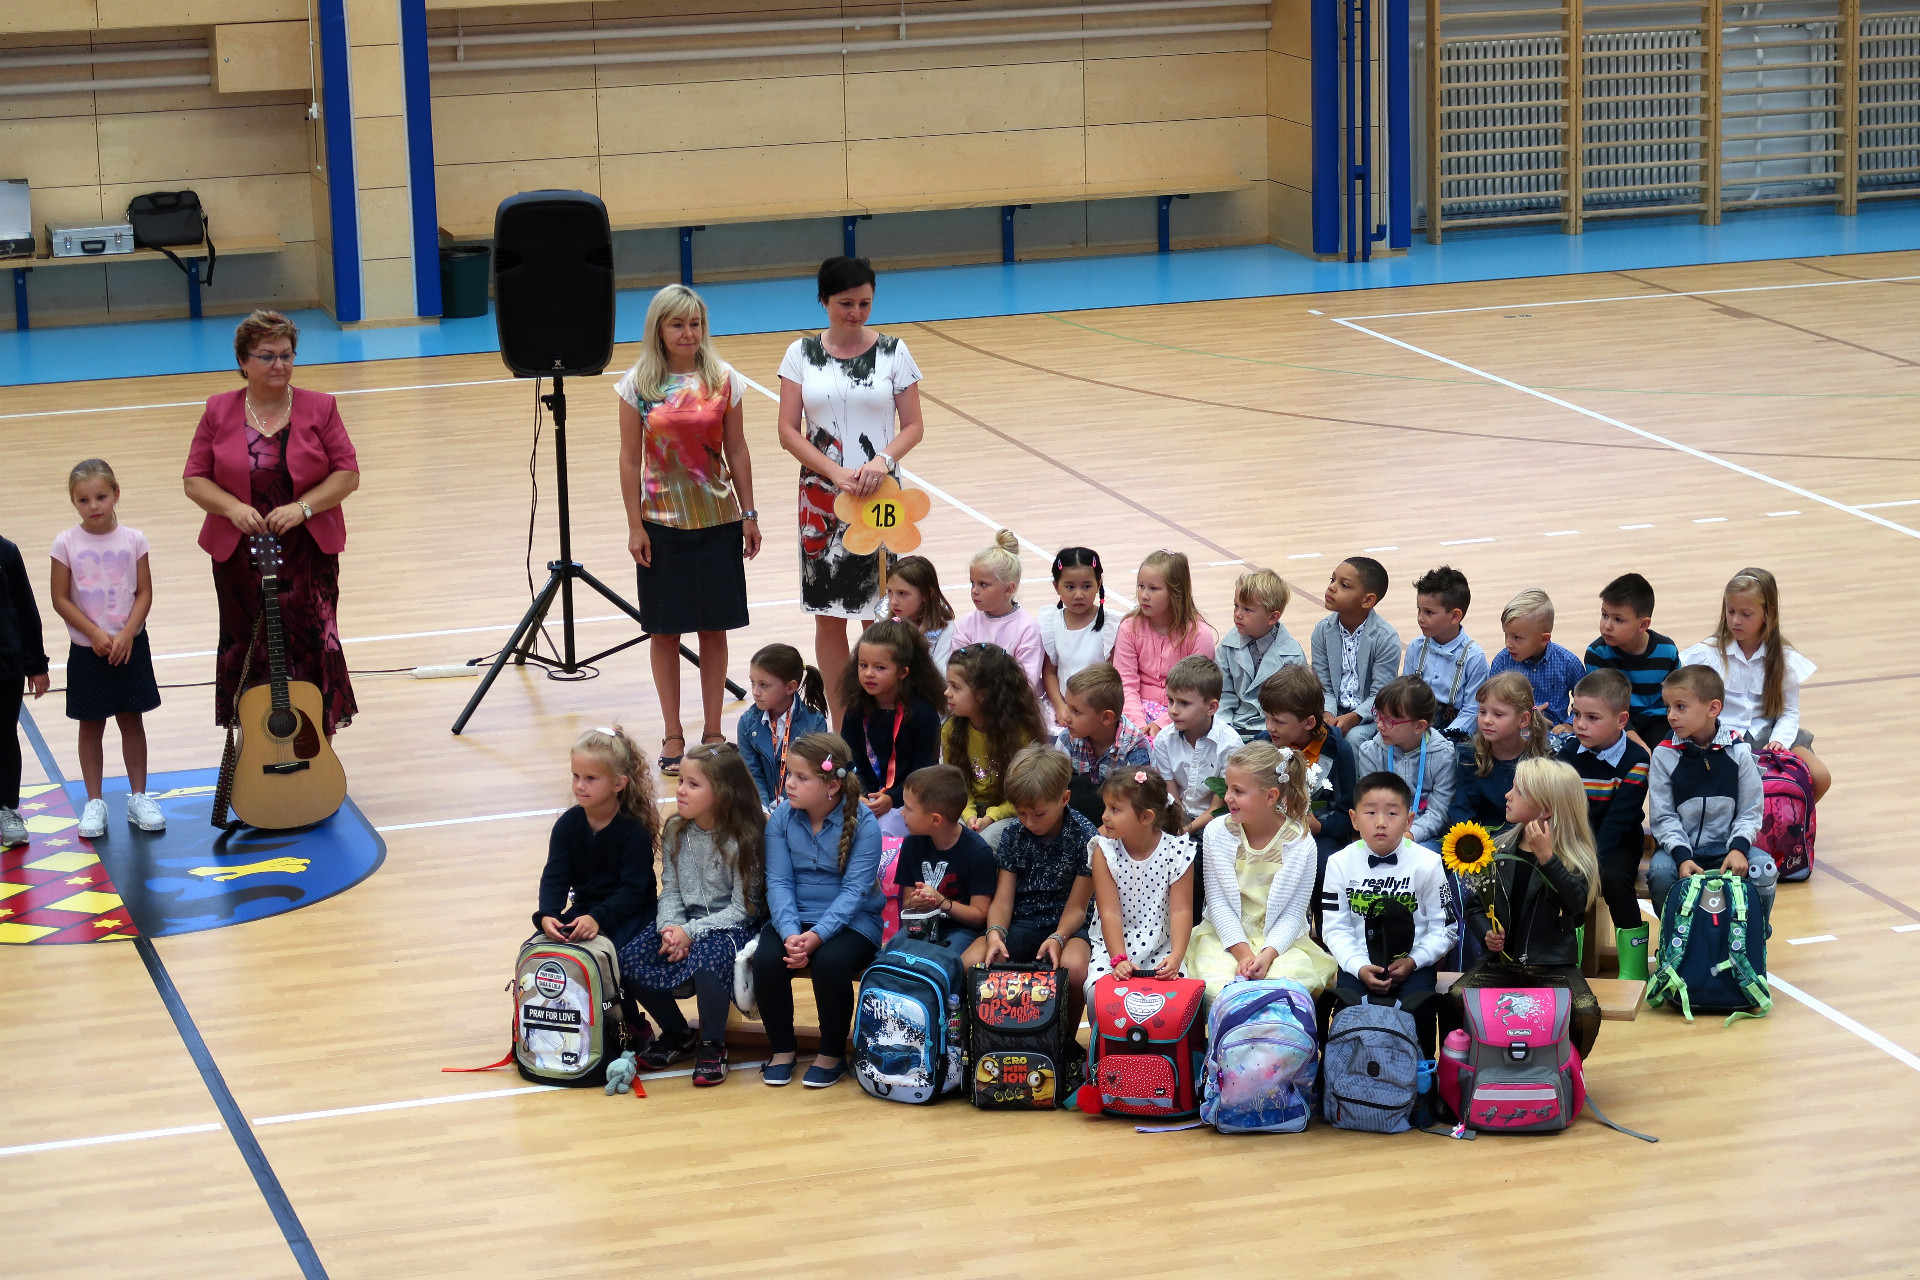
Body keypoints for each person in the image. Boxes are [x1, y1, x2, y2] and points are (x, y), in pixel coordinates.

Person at [183, 310, 360, 737]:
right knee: (248, 644)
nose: (279, 365)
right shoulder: (218, 410)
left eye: (286, 355)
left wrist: (304, 508)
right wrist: (231, 508)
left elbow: (347, 474)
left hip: (307, 553)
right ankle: (257, 742)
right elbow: (194, 479)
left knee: (314, 641)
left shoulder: (321, 407)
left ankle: (318, 743)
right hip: (239, 555)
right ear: (243, 362)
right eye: (267, 356)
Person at [615, 284, 761, 775]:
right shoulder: (637, 385)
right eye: (677, 324)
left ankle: (713, 731)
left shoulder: (724, 379)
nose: (688, 332)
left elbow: (737, 449)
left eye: (695, 323)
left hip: (718, 522)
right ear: (658, 329)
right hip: (661, 527)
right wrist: (635, 526)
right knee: (665, 632)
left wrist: (749, 514)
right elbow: (629, 459)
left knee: (713, 629)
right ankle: (673, 732)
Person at [776, 257, 926, 723]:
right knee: (829, 614)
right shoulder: (800, 354)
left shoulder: (895, 352)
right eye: (845, 303)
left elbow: (914, 426)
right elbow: (788, 431)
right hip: (821, 498)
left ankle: (883, 717)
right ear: (823, 300)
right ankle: (843, 726)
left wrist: (882, 462)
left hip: (882, 497)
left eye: (864, 303)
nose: (856, 312)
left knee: (880, 611)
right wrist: (836, 474)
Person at [619, 742, 765, 1087]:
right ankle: (677, 1033)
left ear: (723, 794)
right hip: (684, 924)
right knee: (629, 958)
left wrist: (692, 933)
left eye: (693, 784)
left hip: (732, 927)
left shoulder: (744, 838)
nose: (681, 790)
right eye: (681, 781)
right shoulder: (675, 830)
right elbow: (670, 889)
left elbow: (744, 909)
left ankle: (713, 1046)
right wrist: (671, 928)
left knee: (707, 961)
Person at [755, 732, 884, 1089]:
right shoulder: (782, 818)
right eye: (789, 774)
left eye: (802, 777)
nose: (790, 784)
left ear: (832, 786)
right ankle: (782, 1049)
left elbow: (855, 892)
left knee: (830, 962)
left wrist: (817, 936)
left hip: (853, 921)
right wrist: (790, 933)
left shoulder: (864, 823)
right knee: (767, 959)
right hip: (794, 916)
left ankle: (832, 1054)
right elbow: (778, 882)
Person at [1453, 757, 1604, 1059]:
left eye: (1518, 791)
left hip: (1553, 967)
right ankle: (1465, 1067)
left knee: (1586, 1012)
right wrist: (1485, 933)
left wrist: (1548, 859)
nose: (1507, 795)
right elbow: (1474, 906)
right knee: (1457, 997)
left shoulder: (1575, 858)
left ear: (1545, 809)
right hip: (1500, 965)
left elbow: (1575, 907)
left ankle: (1566, 1069)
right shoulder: (1497, 849)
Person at [47, 459, 163, 838]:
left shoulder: (134, 539)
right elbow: (60, 598)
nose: (93, 506)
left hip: (130, 646)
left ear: (116, 494)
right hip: (88, 650)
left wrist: (128, 633)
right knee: (91, 725)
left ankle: (139, 797)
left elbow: (144, 591)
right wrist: (94, 634)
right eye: (84, 500)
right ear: (73, 502)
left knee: (132, 721)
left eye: (100, 496)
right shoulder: (65, 543)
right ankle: (94, 802)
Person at [1318, 772, 1457, 1053]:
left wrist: (1414, 961)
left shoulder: (1428, 863)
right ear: (1354, 819)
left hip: (1414, 963)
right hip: (1358, 961)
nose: (1381, 822)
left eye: (1392, 813)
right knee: (1348, 1012)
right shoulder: (1338, 863)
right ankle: (1344, 1075)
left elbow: (1445, 928)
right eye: (1370, 813)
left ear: (1409, 820)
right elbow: (1334, 928)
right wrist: (1359, 965)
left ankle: (1422, 1074)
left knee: (1419, 1012)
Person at [1187, 742, 1337, 997]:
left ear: (1270, 797)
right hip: (1226, 936)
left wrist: (1266, 956)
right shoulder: (1217, 833)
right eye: (1228, 788)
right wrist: (1244, 955)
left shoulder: (1300, 843)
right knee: (1217, 988)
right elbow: (1218, 903)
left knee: (1285, 987)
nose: (1227, 797)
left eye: (1238, 791)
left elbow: (1293, 913)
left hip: (1280, 941)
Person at [967, 745, 1098, 1031]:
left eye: (1038, 814)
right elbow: (1003, 900)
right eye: (1021, 813)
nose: (1028, 822)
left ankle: (1064, 1043)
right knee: (971, 962)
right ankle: (984, 1040)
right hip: (1020, 922)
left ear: (1064, 799)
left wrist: (1059, 937)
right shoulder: (1013, 833)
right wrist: (995, 934)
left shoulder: (1086, 836)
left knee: (1075, 969)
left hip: (1069, 926)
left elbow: (1078, 907)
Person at [1681, 567, 1830, 801]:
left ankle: (1787, 819)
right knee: (1733, 784)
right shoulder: (1707, 655)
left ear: (1769, 613)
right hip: (1720, 735)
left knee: (1820, 776)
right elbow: (1689, 705)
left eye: (1746, 614)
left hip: (1770, 733)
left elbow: (1789, 712)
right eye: (1730, 611)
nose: (1735, 620)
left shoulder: (1784, 659)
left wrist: (1779, 741)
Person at [534, 727, 660, 1004]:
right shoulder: (567, 825)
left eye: (590, 778)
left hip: (633, 914)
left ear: (618, 784)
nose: (580, 785)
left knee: (615, 958)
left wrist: (598, 918)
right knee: (547, 955)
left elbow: (633, 891)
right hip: (588, 911)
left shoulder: (633, 831)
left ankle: (648, 1024)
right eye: (576, 776)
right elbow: (554, 877)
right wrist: (547, 915)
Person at [1647, 665, 1770, 911]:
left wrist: (1738, 849)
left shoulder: (1739, 751)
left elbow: (1751, 811)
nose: (1671, 716)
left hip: (1727, 846)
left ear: (1713, 709)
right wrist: (1682, 856)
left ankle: (1757, 930)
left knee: (1763, 868)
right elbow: (1663, 817)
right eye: (1668, 707)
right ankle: (1672, 932)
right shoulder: (1663, 754)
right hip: (1679, 848)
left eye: (1680, 707)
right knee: (1660, 874)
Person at [1559, 669, 1652, 978]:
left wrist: (1591, 860)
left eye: (1592, 717)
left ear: (1621, 720)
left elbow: (1618, 821)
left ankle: (1634, 970)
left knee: (1613, 879)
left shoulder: (1636, 760)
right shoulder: (1568, 753)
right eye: (1576, 714)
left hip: (1618, 841)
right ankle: (1565, 963)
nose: (1580, 724)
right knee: (1565, 877)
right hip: (1575, 839)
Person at [1083, 767, 1198, 1001]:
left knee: (1175, 998)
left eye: (1115, 809)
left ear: (1145, 817)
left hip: (1163, 945)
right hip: (1114, 945)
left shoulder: (1178, 852)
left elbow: (1181, 910)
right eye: (1106, 807)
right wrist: (1119, 959)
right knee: (1098, 993)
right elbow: (1109, 912)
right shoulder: (1104, 851)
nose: (1104, 816)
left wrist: (1176, 957)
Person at [836, 619, 945, 838]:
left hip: (908, 801)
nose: (869, 674)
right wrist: (860, 793)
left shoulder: (923, 713)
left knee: (884, 831)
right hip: (865, 798)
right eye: (863, 665)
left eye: (880, 667)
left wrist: (893, 798)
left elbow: (924, 770)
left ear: (903, 672)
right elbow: (850, 760)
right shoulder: (856, 709)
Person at [942, 641, 1047, 847]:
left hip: (1011, 811)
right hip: (968, 810)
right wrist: (969, 815)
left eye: (955, 687)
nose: (947, 692)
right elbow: (956, 784)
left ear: (983, 694)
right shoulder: (951, 730)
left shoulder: (1020, 732)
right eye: (948, 684)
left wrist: (992, 816)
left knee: (986, 842)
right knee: (946, 835)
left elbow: (1026, 792)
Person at [891, 764, 996, 960]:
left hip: (960, 930)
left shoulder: (978, 852)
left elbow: (980, 916)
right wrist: (917, 902)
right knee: (891, 955)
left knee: (941, 960)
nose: (901, 813)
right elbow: (906, 905)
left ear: (935, 820)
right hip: (919, 926)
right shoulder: (911, 844)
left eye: (908, 808)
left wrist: (941, 903)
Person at [1258, 664, 1356, 865]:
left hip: (1318, 835)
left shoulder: (1338, 750)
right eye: (1266, 717)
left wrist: (1319, 826)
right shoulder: (1263, 744)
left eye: (1278, 721)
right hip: (1270, 830)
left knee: (1322, 865)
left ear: (1309, 723)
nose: (1269, 727)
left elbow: (1347, 813)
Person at [1113, 549, 1216, 733]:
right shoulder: (1129, 628)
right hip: (1135, 713)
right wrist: (1137, 724)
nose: (1144, 595)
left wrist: (1162, 724)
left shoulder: (1198, 634)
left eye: (1153, 589)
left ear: (1176, 593)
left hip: (1181, 714)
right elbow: (1125, 684)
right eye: (1141, 586)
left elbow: (1197, 690)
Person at [1354, 675, 1456, 848]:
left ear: (1419, 726)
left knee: (1419, 857)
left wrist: (1409, 835)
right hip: (1381, 829)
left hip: (1425, 836)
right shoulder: (1371, 752)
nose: (1380, 725)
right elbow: (1369, 804)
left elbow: (1439, 812)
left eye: (1389, 721)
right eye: (1378, 715)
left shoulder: (1443, 755)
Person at [1447, 670, 1552, 833]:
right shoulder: (1470, 754)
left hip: (1521, 839)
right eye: (1482, 712)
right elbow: (1460, 808)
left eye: (1498, 714)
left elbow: (1539, 817)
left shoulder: (1538, 762)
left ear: (1523, 719)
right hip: (1475, 840)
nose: (1487, 720)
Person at [1583, 572, 1680, 748]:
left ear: (1642, 625)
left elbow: (1678, 697)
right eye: (1604, 615)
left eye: (1618, 619)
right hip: (1615, 723)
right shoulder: (1597, 654)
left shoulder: (1667, 650)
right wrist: (1640, 747)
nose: (1607, 625)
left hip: (1659, 722)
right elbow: (1606, 708)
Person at [1150, 655, 1242, 834]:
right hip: (1177, 817)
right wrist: (1177, 829)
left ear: (1211, 707)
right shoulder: (1163, 740)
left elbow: (1217, 807)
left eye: (1184, 703)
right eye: (1170, 700)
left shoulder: (1230, 745)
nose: (1173, 710)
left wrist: (1187, 830)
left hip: (1216, 823)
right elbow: (1173, 800)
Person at [948, 529, 1045, 699]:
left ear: (1009, 589)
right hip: (973, 703)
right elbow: (956, 672)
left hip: (1013, 706)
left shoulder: (1027, 628)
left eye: (983, 584)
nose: (974, 591)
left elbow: (1027, 683)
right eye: (972, 583)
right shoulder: (966, 624)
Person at [1309, 556, 1400, 734]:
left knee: (1354, 737)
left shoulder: (1386, 638)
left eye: (1344, 585)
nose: (1332, 587)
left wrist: (1354, 717)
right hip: (1331, 709)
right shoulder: (1321, 631)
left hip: (1370, 716)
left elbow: (1380, 695)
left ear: (1367, 600)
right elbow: (1323, 687)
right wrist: (1327, 714)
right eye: (1332, 579)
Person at [1053, 661, 1150, 826]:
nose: (1066, 717)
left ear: (1106, 717)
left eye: (1076, 711)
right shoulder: (1067, 740)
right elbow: (1056, 794)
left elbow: (1139, 806)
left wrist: (1096, 835)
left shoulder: (1134, 748)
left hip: (1119, 827)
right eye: (1067, 706)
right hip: (1075, 824)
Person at [0, 531, 50, 850]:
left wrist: (36, 664)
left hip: (5, 664)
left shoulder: (6, 552)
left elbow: (26, 609)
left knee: (4, 736)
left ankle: (8, 809)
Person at [1215, 567, 1306, 740]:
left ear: (1272, 618)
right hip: (1233, 727)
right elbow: (1223, 695)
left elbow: (1294, 707)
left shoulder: (1292, 656)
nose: (1238, 614)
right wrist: (1224, 730)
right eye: (1236, 606)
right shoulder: (1226, 647)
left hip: (1272, 731)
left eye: (1247, 609)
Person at [1398, 565, 1487, 742]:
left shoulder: (1473, 657)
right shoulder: (1416, 648)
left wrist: (1441, 738)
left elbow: (1472, 711)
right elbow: (1405, 695)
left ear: (1455, 616)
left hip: (1453, 732)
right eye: (1419, 610)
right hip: (1415, 726)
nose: (1420, 618)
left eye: (1429, 612)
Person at [737, 643, 828, 809]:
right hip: (760, 806)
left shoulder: (815, 723)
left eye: (763, 685)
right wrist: (763, 810)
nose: (755, 692)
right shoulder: (747, 723)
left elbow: (812, 777)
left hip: (800, 807)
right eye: (752, 683)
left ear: (790, 687)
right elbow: (752, 774)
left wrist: (785, 813)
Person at [1039, 547, 1123, 726]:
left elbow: (1114, 675)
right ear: (1056, 586)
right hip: (1063, 707)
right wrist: (1060, 707)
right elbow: (1049, 672)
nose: (1078, 595)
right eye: (1070, 587)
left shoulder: (1110, 624)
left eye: (1086, 586)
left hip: (1098, 710)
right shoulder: (1052, 623)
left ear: (1099, 584)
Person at [1489, 588, 1585, 735]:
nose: (1508, 643)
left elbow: (1587, 699)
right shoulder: (1502, 661)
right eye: (1506, 635)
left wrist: (1570, 724)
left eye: (1516, 637)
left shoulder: (1568, 662)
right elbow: (1490, 701)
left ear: (1544, 639)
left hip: (1555, 734)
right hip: (1513, 733)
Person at [885, 554, 956, 672]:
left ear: (926, 594)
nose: (893, 601)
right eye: (890, 591)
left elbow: (941, 675)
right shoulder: (883, 621)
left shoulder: (946, 630)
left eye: (902, 593)